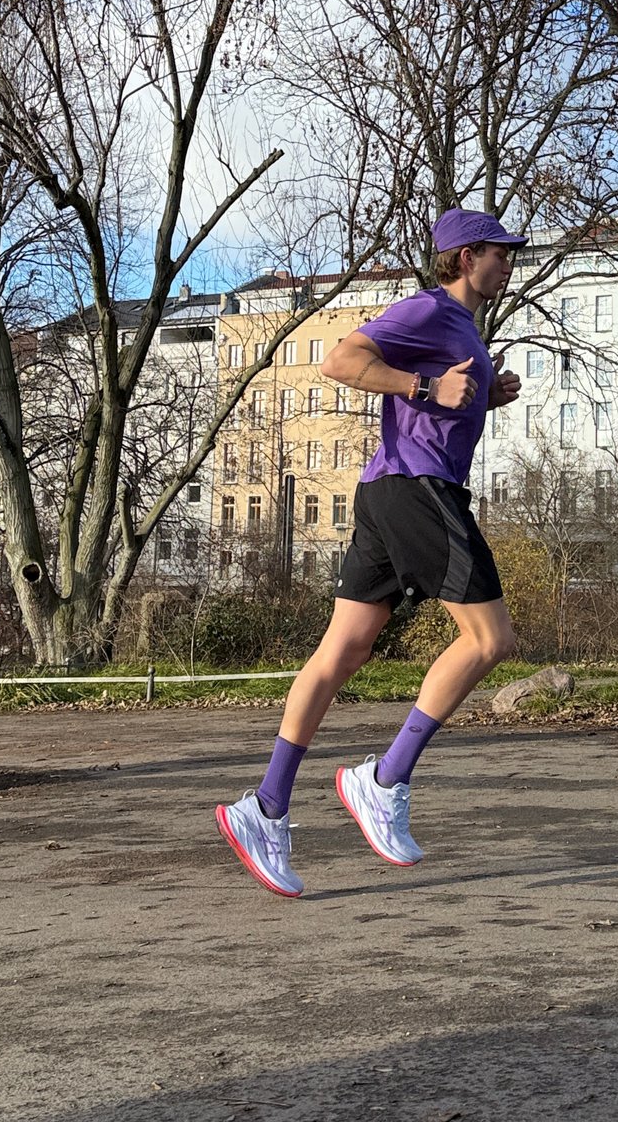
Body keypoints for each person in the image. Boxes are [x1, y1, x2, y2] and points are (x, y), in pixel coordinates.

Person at [216, 207, 527, 896]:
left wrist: (484, 399)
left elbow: (440, 407)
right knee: (489, 638)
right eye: (500, 253)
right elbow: (341, 360)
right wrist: (426, 386)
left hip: (386, 493)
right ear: (465, 255)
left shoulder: (464, 329)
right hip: (417, 491)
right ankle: (383, 779)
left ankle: (265, 806)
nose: (509, 262)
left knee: (343, 650)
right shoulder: (428, 310)